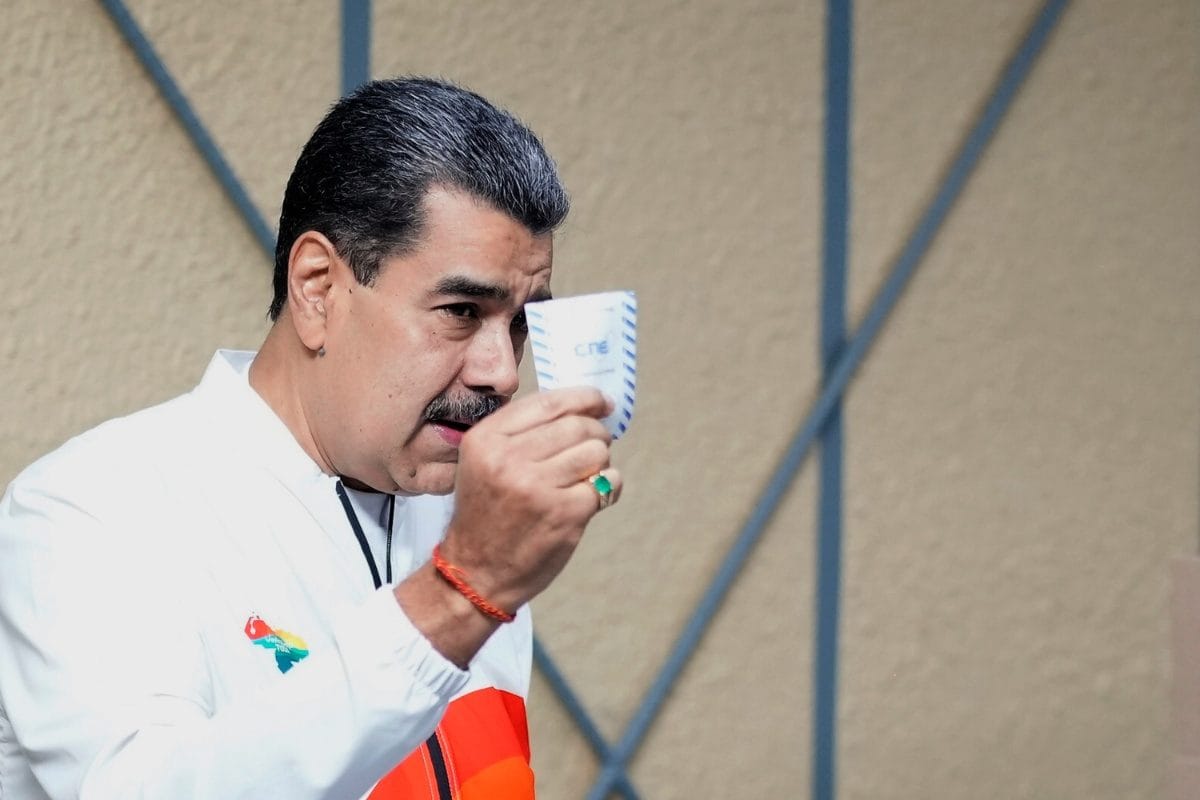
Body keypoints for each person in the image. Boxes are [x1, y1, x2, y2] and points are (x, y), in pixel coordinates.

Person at [0, 77, 620, 799]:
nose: (503, 372)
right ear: (318, 287)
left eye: (519, 322)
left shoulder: (464, 519)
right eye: (460, 310)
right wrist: (458, 595)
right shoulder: (91, 510)